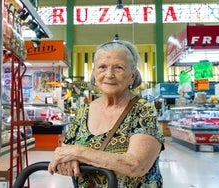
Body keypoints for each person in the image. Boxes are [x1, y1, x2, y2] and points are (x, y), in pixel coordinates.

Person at [48, 39, 165, 187]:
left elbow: (135, 165)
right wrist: (68, 158)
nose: (109, 74)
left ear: (133, 75)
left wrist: (78, 153)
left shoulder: (142, 110)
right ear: (94, 73)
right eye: (102, 67)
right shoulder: (83, 112)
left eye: (119, 68)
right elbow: (65, 152)